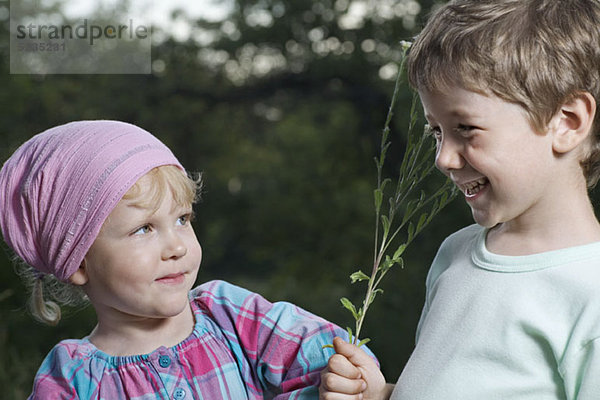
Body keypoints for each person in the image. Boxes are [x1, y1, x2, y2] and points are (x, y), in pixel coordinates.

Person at [318, 0, 600, 398]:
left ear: (567, 121)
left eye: (466, 128)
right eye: (436, 131)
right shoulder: (457, 252)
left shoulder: (590, 294)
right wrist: (382, 395)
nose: (443, 158)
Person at [0, 120, 374, 399]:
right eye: (144, 229)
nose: (177, 246)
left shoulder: (229, 315)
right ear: (78, 262)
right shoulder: (72, 379)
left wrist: (349, 380)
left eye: (182, 219)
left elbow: (335, 354)